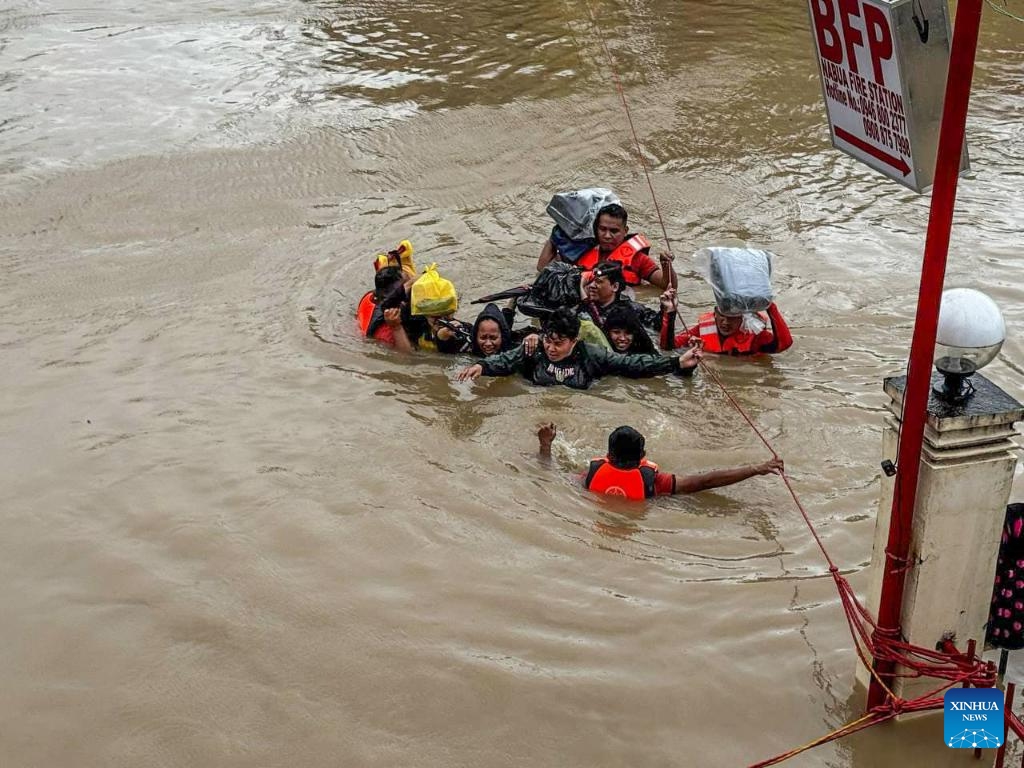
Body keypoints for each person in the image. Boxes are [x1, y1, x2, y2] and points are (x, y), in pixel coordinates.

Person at [455, 306, 701, 390]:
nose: (551, 348)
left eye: (559, 343)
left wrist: (676, 363)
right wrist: (482, 365)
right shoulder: (534, 349)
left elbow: (631, 364)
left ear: (574, 341)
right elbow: (506, 361)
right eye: (548, 340)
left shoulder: (592, 355)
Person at [537, 423, 784, 500]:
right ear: (642, 457)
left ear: (608, 455)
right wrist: (755, 469)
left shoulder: (590, 474)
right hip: (654, 504)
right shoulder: (655, 481)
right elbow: (706, 481)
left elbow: (551, 473)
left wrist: (546, 445)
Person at [538, 203, 673, 288]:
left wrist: (666, 265)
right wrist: (556, 236)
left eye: (614, 231)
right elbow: (543, 270)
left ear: (625, 231)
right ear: (596, 229)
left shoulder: (637, 259)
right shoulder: (581, 250)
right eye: (603, 229)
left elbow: (666, 284)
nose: (607, 236)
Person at [659, 287, 793, 355]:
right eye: (722, 316)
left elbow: (784, 344)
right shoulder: (702, 329)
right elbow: (668, 347)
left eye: (732, 318)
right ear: (715, 314)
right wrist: (670, 313)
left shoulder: (755, 336)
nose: (725, 322)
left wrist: (770, 307)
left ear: (743, 318)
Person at [582, 260, 661, 331]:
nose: (591, 286)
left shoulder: (632, 310)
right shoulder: (584, 305)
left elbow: (657, 326)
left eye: (598, 282)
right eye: (591, 281)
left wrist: (666, 310)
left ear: (615, 287)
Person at [356, 266, 416, 351]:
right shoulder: (386, 330)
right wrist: (396, 328)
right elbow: (406, 356)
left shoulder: (369, 296)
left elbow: (403, 288)